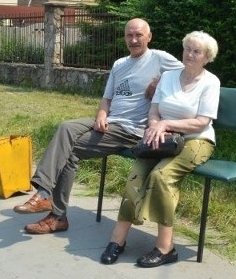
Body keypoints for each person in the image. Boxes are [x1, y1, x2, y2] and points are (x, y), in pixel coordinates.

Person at [13, 18, 183, 235]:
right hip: (109, 123)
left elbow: (188, 72)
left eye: (139, 35)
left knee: (69, 152)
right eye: (129, 35)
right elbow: (106, 99)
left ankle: (54, 212)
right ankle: (46, 195)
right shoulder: (119, 64)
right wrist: (102, 114)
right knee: (66, 127)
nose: (133, 39)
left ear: (149, 37)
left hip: (130, 130)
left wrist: (161, 80)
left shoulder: (159, 58)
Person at [100, 30, 220, 268]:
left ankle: (166, 248)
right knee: (136, 174)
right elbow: (154, 110)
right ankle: (118, 240)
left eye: (197, 51)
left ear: (207, 57)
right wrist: (155, 125)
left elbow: (202, 121)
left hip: (197, 140)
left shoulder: (210, 82)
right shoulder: (169, 76)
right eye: (187, 49)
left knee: (161, 177)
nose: (190, 54)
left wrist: (166, 124)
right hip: (163, 138)